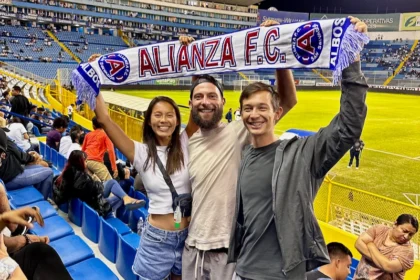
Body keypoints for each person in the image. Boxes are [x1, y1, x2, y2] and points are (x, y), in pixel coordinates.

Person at [227, 17, 368, 280]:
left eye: (261, 108)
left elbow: (349, 126)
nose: (254, 114)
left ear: (277, 112)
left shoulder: (302, 154)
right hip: (242, 272)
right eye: (248, 109)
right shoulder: (245, 155)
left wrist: (351, 59)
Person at [178, 23, 298, 279]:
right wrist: (190, 60)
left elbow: (287, 101)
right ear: (190, 104)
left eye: (212, 96)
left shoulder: (238, 130)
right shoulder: (187, 140)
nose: (205, 101)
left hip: (227, 253)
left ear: (224, 102)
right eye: (199, 97)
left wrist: (278, 49)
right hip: (191, 248)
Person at [90, 68, 190, 279]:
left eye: (169, 115)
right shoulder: (140, 152)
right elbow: (105, 119)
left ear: (177, 120)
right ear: (149, 121)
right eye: (158, 115)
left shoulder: (185, 143)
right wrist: (96, 76)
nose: (164, 120)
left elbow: (199, 104)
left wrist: (189, 56)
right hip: (156, 241)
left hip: (188, 238)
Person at [53, 150, 145, 217]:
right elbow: (95, 190)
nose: (86, 163)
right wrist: (97, 182)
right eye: (85, 161)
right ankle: (124, 203)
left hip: (87, 204)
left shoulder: (67, 173)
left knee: (114, 186)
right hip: (96, 207)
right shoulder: (81, 178)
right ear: (79, 162)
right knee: (117, 192)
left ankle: (127, 199)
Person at [354, 214, 418, 280]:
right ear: (395, 224)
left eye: (411, 234)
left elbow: (388, 266)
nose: (406, 236)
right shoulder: (379, 229)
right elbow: (358, 244)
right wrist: (382, 261)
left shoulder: (407, 251)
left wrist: (371, 246)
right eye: (404, 231)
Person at [0, 128, 53, 200]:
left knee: (42, 167)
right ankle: (43, 199)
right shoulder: (2, 137)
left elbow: (18, 155)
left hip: (14, 171)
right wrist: (33, 158)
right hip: (11, 178)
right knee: (49, 171)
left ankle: (37, 196)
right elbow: (20, 156)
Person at [82, 117, 117, 182]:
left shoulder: (88, 135)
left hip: (85, 161)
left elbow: (82, 150)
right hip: (95, 162)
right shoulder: (105, 135)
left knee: (96, 182)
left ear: (93, 125)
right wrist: (114, 168)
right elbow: (111, 151)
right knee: (110, 183)